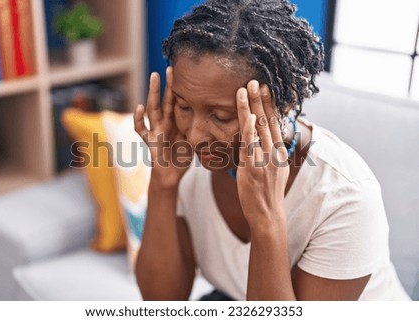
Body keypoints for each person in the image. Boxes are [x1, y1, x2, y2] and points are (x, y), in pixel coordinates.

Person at [133, 0, 410, 300]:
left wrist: (266, 220)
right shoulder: (189, 157)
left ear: (285, 104)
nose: (195, 135)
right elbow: (161, 303)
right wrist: (163, 184)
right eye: (184, 106)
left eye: (221, 116)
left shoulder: (344, 197)